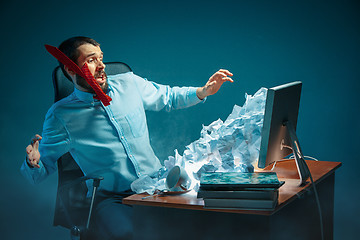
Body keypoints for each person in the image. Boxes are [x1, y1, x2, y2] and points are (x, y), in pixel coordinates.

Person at [21, 36, 234, 240]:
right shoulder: (61, 115)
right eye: (91, 60)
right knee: (133, 235)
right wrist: (34, 163)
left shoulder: (128, 83)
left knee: (208, 220)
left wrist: (203, 91)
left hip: (156, 187)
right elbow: (39, 172)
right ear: (70, 68)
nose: (102, 65)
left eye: (101, 58)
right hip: (113, 198)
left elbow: (167, 96)